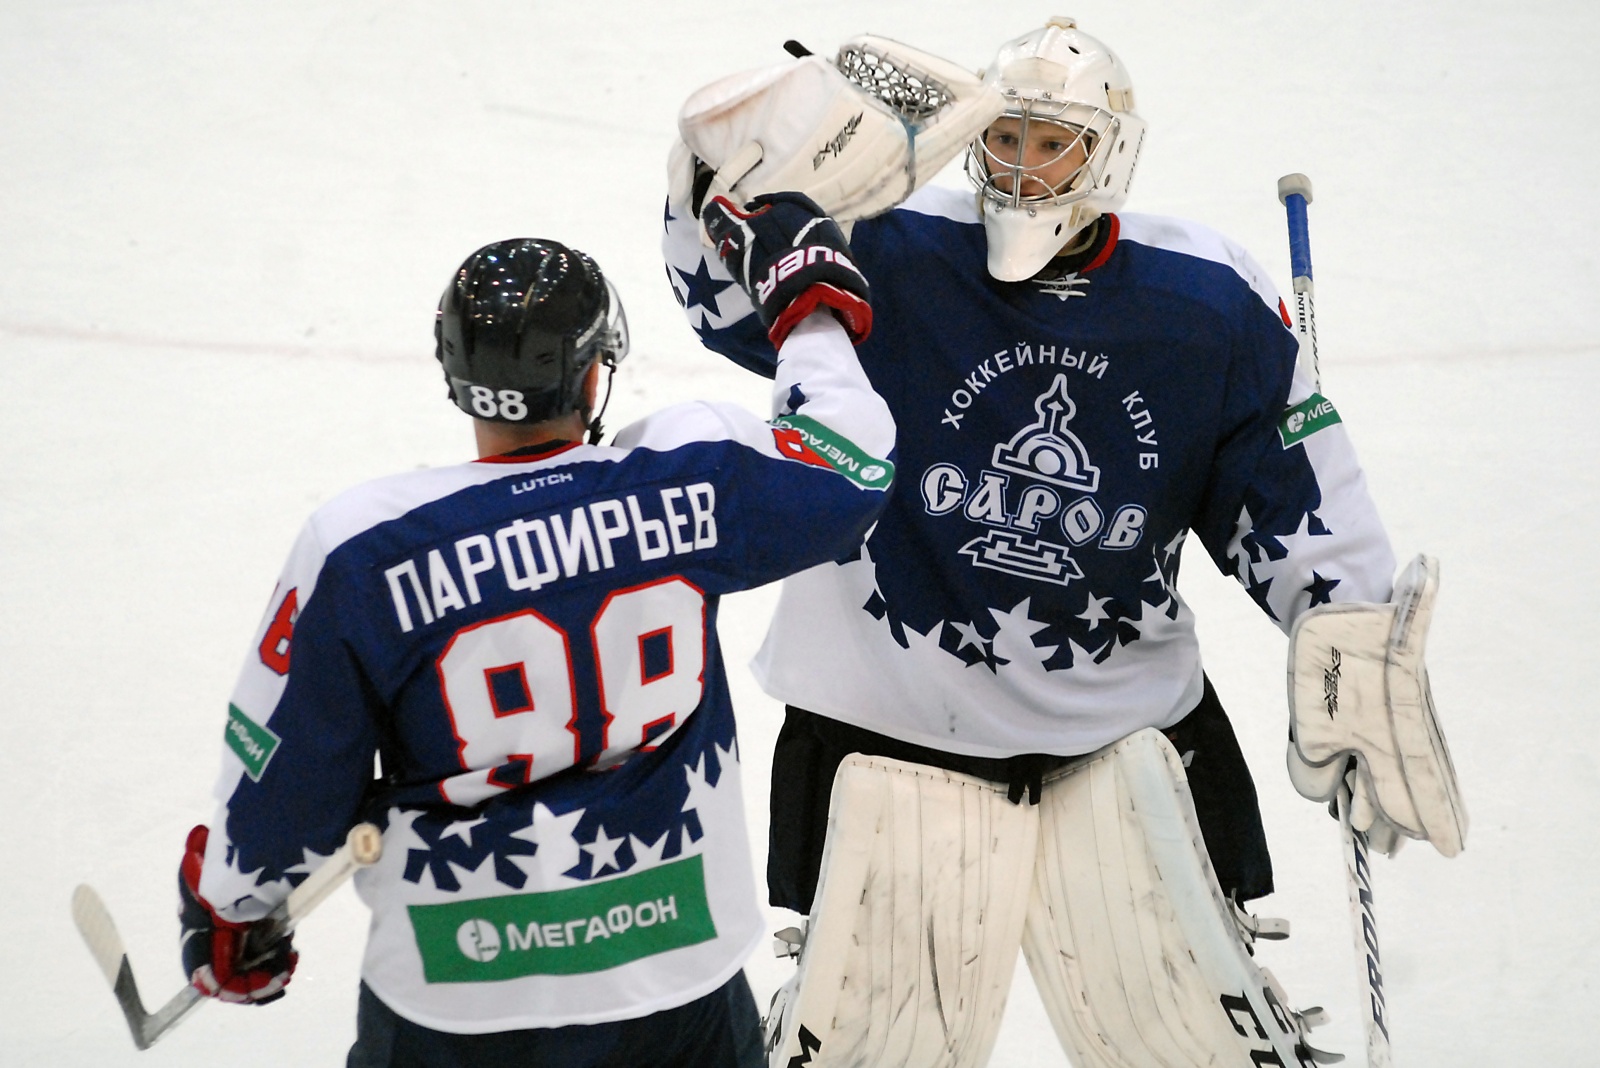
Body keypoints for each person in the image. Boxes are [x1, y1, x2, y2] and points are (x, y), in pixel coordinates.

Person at [663, 17, 1464, 1068]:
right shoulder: (887, 248)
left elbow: (1286, 484)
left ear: (1109, 156)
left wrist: (1349, 632)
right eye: (1006, 139)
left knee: (1197, 1050)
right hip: (887, 739)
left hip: (1126, 746)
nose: (1022, 168)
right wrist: (712, 176)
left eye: (1053, 145)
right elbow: (722, 304)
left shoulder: (1204, 299)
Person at [174, 196, 895, 1068]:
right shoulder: (686, 475)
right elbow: (852, 464)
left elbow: (288, 773)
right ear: (593, 377)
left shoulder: (365, 548)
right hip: (675, 975)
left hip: (457, 991)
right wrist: (809, 310)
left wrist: (235, 911)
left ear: (454, 373)